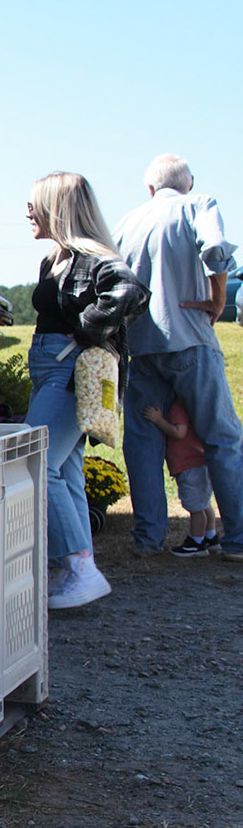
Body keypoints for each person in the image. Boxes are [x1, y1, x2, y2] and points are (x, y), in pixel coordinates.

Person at [21, 172, 149, 610]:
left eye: (35, 204)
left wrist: (85, 330)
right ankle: (75, 566)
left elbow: (130, 290)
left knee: (36, 461)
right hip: (52, 369)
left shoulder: (92, 260)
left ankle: (79, 566)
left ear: (58, 209)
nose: (28, 212)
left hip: (69, 373)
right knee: (66, 466)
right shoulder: (55, 259)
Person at [113, 153, 243, 561]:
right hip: (190, 338)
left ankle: (148, 539)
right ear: (188, 182)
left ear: (150, 189)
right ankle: (238, 539)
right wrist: (219, 297)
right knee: (223, 440)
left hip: (142, 345)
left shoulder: (128, 221)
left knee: (142, 444)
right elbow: (217, 247)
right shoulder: (198, 204)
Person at [141, 402, 216, 556]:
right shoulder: (193, 403)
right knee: (203, 503)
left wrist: (158, 420)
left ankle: (196, 542)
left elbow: (179, 432)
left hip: (189, 465)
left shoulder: (179, 406)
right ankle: (211, 537)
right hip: (199, 462)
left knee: (195, 508)